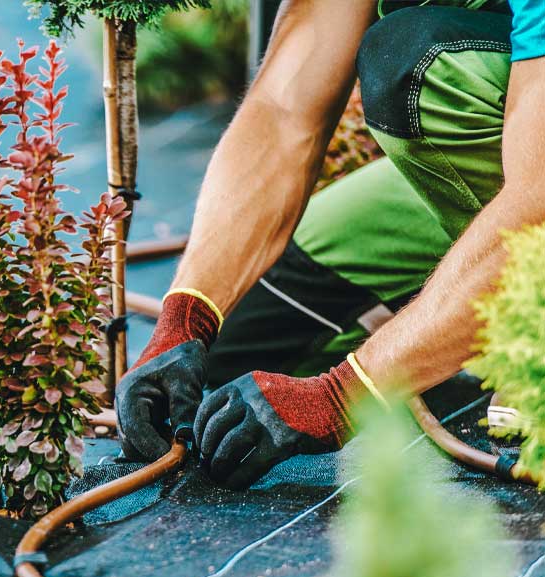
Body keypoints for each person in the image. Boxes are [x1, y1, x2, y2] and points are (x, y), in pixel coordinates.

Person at [115, 0, 545, 488]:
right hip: (514, 150)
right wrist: (186, 318)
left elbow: (537, 205)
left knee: (415, 62)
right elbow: (283, 110)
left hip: (535, 172)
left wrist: (341, 396)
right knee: (241, 347)